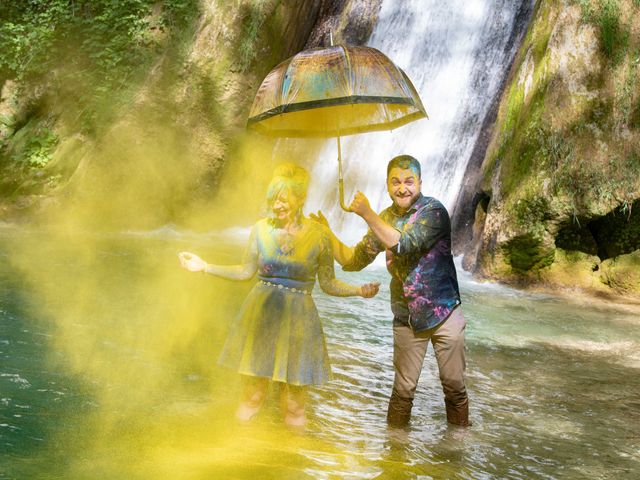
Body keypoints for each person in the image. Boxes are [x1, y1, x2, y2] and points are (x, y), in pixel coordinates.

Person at [178, 163, 379, 429]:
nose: (277, 205)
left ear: (301, 198)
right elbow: (245, 271)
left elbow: (328, 284)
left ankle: (291, 466)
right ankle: (238, 459)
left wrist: (358, 290)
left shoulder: (320, 236)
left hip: (299, 322)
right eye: (273, 199)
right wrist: (205, 267)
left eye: (283, 199)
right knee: (252, 397)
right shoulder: (260, 229)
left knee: (294, 407)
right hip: (260, 316)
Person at [311, 155, 470, 428]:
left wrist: (367, 214)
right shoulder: (384, 218)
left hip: (444, 312)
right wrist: (328, 234)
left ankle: (458, 444)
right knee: (403, 389)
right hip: (407, 316)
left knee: (454, 384)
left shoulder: (434, 212)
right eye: (395, 182)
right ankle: (395, 451)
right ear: (387, 185)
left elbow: (404, 244)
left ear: (420, 182)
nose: (402, 188)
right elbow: (353, 260)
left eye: (409, 181)